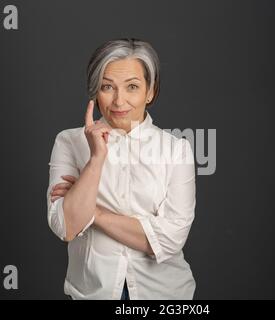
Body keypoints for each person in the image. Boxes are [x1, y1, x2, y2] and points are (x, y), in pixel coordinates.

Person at [46, 38, 196, 300]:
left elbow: (170, 240)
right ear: (96, 91)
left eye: (132, 87)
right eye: (107, 87)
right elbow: (65, 227)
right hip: (91, 293)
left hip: (164, 295)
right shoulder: (69, 141)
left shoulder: (176, 150)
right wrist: (96, 159)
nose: (119, 100)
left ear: (150, 91)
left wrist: (94, 212)